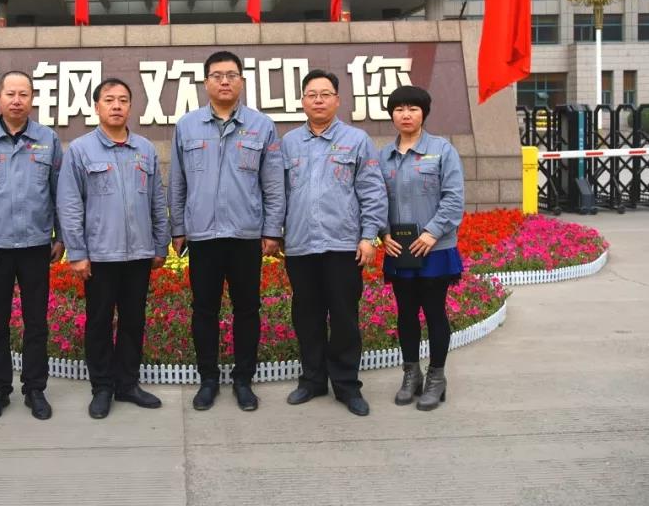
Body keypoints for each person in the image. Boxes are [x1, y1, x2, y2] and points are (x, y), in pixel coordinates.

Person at [169, 51, 285, 412]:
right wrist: (178, 228)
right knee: (204, 310)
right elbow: (177, 181)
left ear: (242, 82)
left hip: (245, 235)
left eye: (231, 75)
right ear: (206, 83)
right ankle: (208, 380)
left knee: (247, 309)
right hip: (203, 236)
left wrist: (272, 230)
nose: (224, 81)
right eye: (217, 75)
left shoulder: (262, 126)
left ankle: (243, 380)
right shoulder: (187, 126)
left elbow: (273, 183)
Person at [57, 78, 169, 419]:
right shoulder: (80, 150)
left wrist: (160, 244)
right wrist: (77, 253)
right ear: (97, 107)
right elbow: (70, 204)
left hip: (139, 254)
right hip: (101, 255)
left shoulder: (145, 149)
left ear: (130, 107)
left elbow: (157, 199)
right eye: (109, 99)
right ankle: (102, 387)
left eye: (123, 99)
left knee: (134, 321)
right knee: (100, 322)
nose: (117, 105)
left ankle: (128, 384)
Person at [0, 71, 64, 423]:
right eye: (11, 94)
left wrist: (61, 237)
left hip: (35, 245)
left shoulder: (48, 139)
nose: (17, 100)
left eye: (24, 94)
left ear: (32, 99)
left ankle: (35, 388)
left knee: (36, 323)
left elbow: (59, 193)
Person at [280, 69, 387, 416]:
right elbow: (277, 193)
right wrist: (275, 234)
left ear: (338, 100)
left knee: (344, 318)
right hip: (300, 246)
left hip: (343, 246)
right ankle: (312, 380)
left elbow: (372, 191)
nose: (318, 100)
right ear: (302, 101)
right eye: (312, 95)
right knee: (307, 316)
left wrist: (369, 237)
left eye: (325, 94)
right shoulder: (289, 143)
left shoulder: (357, 140)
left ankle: (346, 385)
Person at [379, 85, 465, 411]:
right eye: (399, 109)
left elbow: (454, 198)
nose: (406, 114)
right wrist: (382, 233)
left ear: (423, 113)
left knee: (433, 312)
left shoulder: (442, 151)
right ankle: (411, 374)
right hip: (398, 249)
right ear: (392, 115)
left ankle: (437, 377)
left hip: (434, 249)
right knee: (405, 313)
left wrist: (432, 233)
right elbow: (374, 199)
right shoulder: (383, 157)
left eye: (413, 108)